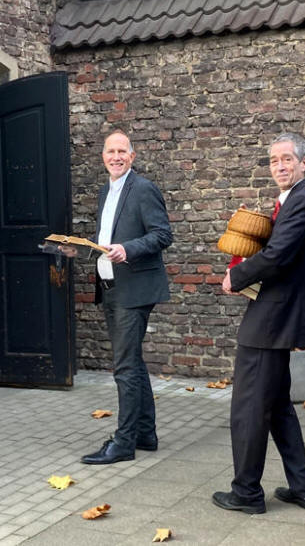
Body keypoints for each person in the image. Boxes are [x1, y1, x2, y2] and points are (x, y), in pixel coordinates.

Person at [212, 133, 305, 515]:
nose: (279, 166)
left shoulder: (303, 200)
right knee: (277, 407)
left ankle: (246, 492)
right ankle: (303, 489)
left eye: (287, 159)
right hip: (277, 315)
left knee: (248, 408)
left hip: (272, 320)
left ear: (304, 162)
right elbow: (277, 250)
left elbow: (277, 256)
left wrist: (237, 275)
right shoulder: (292, 200)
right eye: (274, 160)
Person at [76, 130, 173, 464]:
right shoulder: (106, 190)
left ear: (132, 156)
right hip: (110, 288)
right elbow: (106, 239)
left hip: (135, 290)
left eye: (122, 152)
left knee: (125, 367)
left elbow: (163, 234)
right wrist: (79, 249)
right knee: (132, 362)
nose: (116, 157)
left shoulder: (143, 188)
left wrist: (127, 249)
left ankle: (124, 442)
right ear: (103, 157)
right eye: (110, 152)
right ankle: (145, 434)